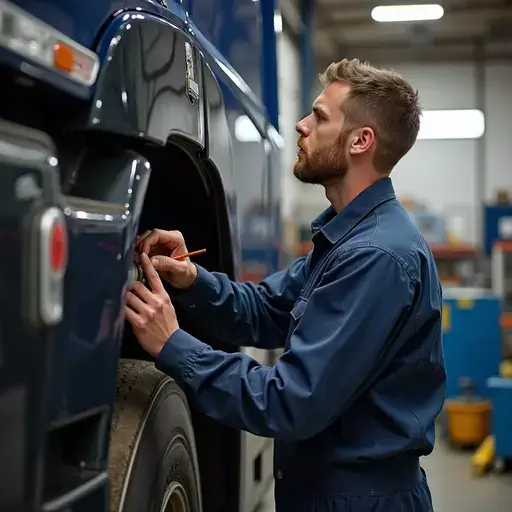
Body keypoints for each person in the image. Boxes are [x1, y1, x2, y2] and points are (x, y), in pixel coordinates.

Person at [125, 58, 446, 512]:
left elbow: (290, 401)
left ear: (361, 140)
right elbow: (266, 310)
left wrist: (173, 345)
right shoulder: (346, 237)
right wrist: (193, 279)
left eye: (318, 117)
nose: (300, 126)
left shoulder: (375, 256)